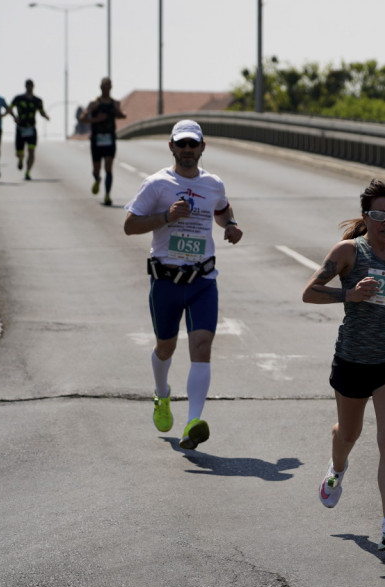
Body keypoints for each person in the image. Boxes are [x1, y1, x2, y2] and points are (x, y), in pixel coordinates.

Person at [301, 179, 385, 553]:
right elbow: (309, 292)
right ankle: (337, 468)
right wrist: (350, 294)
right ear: (366, 216)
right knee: (349, 434)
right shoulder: (348, 252)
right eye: (378, 215)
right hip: (353, 359)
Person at [123, 120, 243, 451]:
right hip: (166, 280)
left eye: (193, 145)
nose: (188, 150)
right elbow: (129, 225)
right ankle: (162, 394)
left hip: (203, 280)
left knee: (202, 347)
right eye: (182, 145)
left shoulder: (213, 183)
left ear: (202, 148)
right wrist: (165, 218)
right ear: (172, 147)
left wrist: (230, 224)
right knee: (166, 347)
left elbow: (221, 207)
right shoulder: (157, 184)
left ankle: (192, 422)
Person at [79, 77, 126, 206]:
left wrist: (120, 114)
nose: (106, 88)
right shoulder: (94, 103)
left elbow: (121, 115)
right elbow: (82, 118)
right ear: (100, 87)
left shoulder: (115, 103)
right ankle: (97, 179)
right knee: (96, 168)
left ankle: (107, 195)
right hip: (96, 139)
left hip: (110, 138)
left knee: (109, 168)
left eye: (108, 86)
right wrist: (96, 120)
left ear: (111, 87)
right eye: (104, 86)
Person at [9, 79, 49, 181]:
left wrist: (46, 116)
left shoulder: (37, 100)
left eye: (31, 86)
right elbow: (9, 108)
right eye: (28, 86)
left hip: (31, 128)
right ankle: (21, 159)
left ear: (33, 87)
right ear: (25, 86)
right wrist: (14, 117)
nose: (29, 88)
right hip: (20, 128)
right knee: (19, 152)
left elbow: (41, 111)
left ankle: (27, 172)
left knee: (31, 151)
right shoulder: (18, 98)